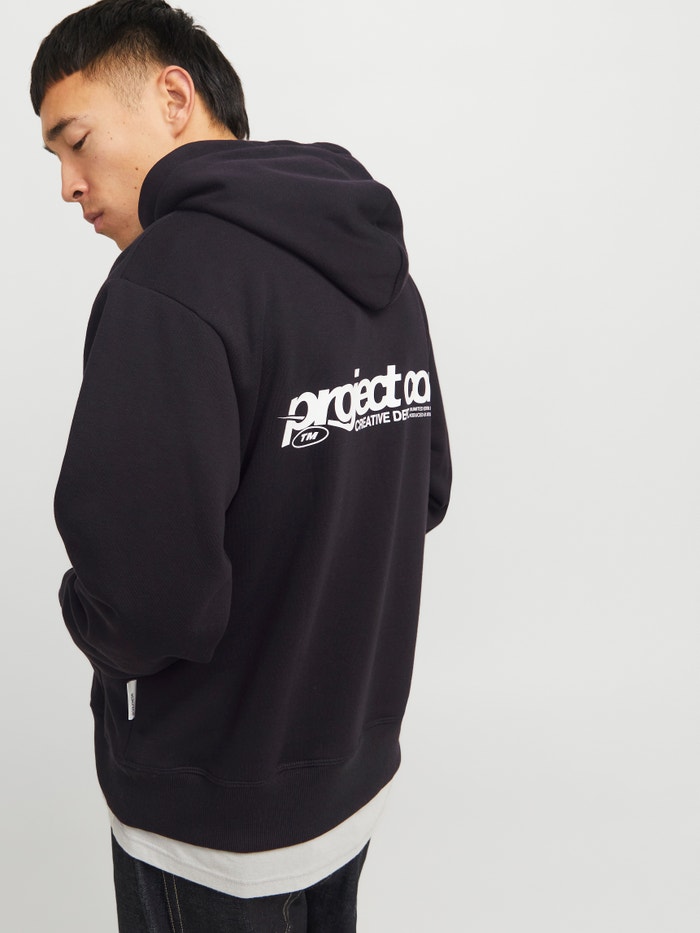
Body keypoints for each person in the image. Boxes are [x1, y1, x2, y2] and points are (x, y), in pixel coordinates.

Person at [31, 0, 452, 929]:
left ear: (174, 96)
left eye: (76, 141)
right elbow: (420, 491)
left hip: (207, 808)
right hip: (350, 774)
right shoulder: (376, 263)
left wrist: (81, 612)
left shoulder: (164, 283)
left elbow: (147, 600)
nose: (67, 185)